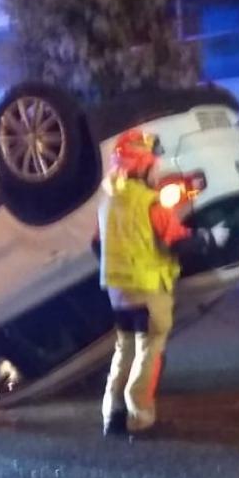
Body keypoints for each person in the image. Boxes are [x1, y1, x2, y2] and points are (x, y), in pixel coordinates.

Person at [97, 127, 226, 437]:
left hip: (117, 292)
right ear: (141, 165)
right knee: (149, 351)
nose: (156, 166)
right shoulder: (150, 203)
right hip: (149, 288)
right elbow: (178, 243)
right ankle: (140, 418)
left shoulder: (108, 202)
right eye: (153, 162)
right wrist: (211, 237)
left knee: (125, 349)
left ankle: (113, 415)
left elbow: (95, 245)